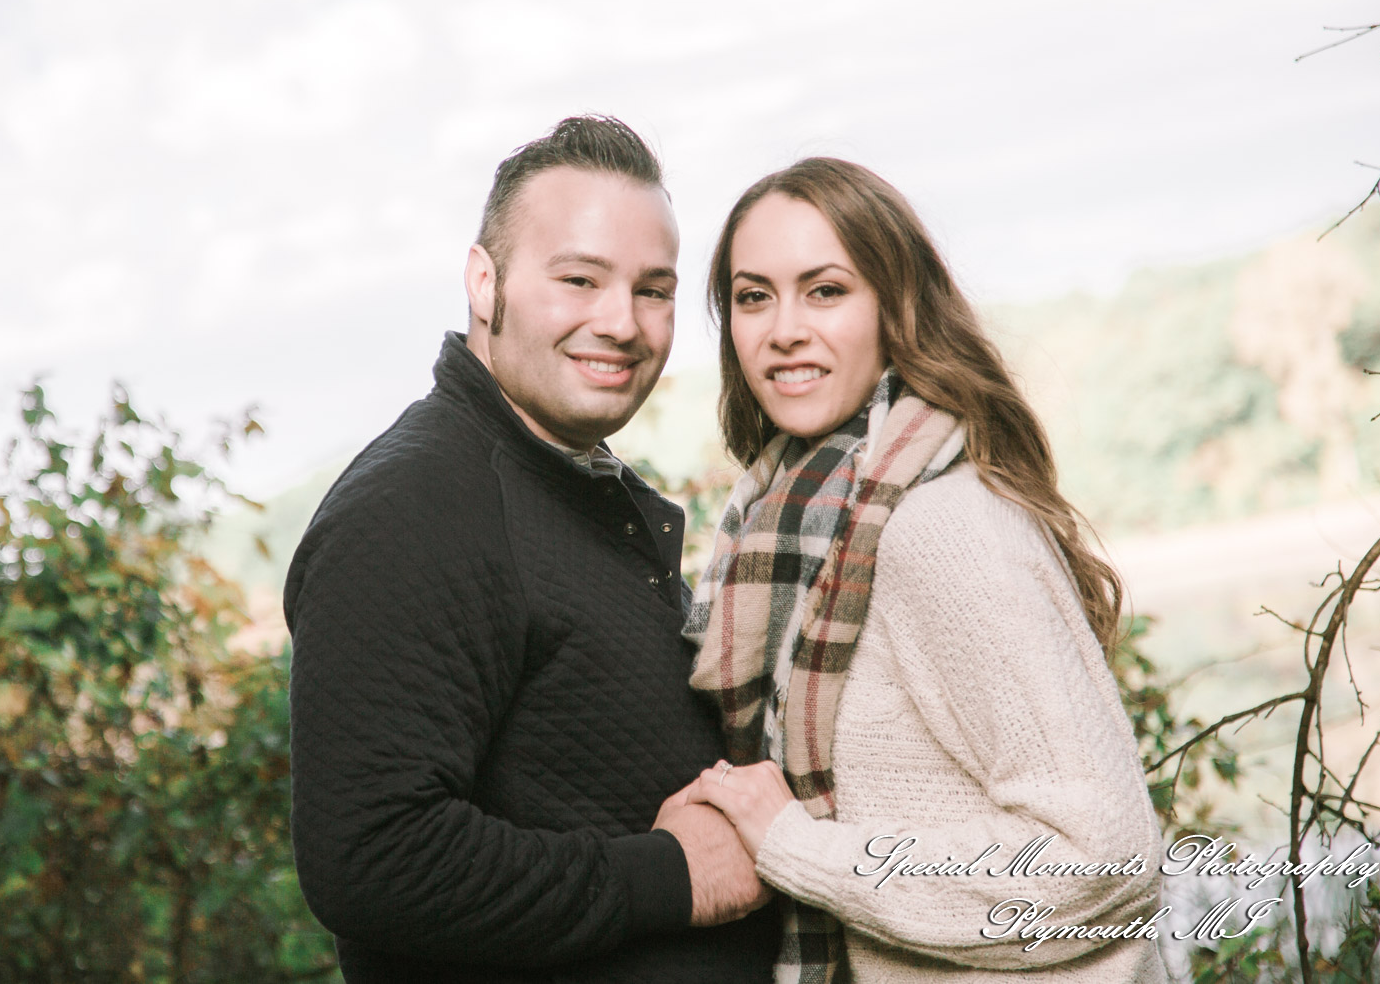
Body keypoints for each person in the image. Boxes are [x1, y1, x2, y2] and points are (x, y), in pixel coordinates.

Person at [283, 116, 778, 984]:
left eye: (653, 289)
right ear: (486, 283)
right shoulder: (416, 505)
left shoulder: (565, 484)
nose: (620, 322)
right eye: (579, 278)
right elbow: (372, 858)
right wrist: (669, 876)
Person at [678, 158, 1166, 982]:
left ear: (893, 306)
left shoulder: (940, 526)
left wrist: (799, 848)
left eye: (826, 290)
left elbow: (1102, 856)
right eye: (754, 296)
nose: (783, 328)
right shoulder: (785, 521)